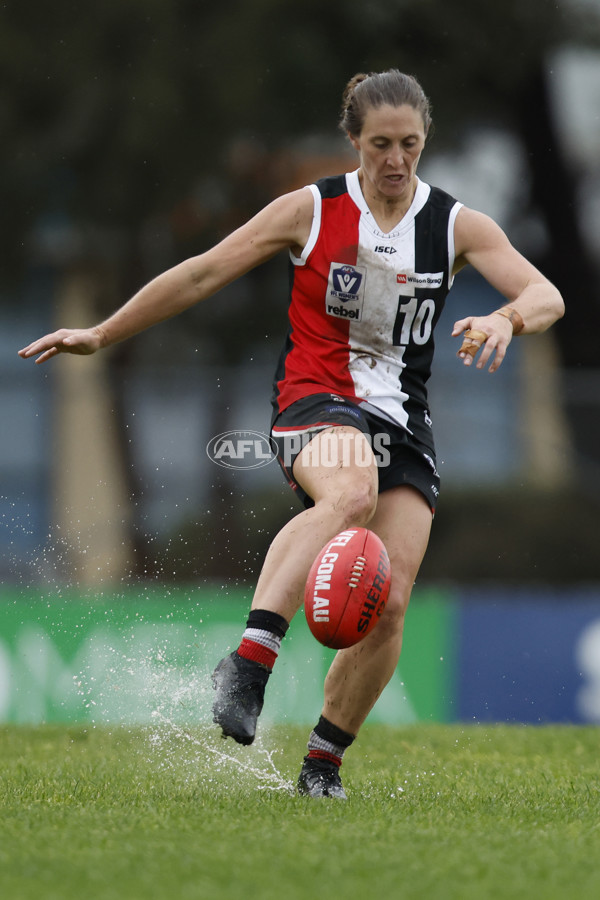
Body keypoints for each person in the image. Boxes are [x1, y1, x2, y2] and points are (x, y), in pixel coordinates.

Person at [19, 70, 564, 799]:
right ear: (353, 142)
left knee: (391, 599)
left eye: (409, 144)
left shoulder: (456, 225)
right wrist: (103, 332)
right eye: (380, 145)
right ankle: (249, 662)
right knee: (349, 495)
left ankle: (321, 767)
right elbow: (202, 273)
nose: (396, 160)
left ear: (424, 141)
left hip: (404, 419)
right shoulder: (309, 210)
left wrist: (506, 317)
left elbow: (545, 293)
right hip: (316, 396)